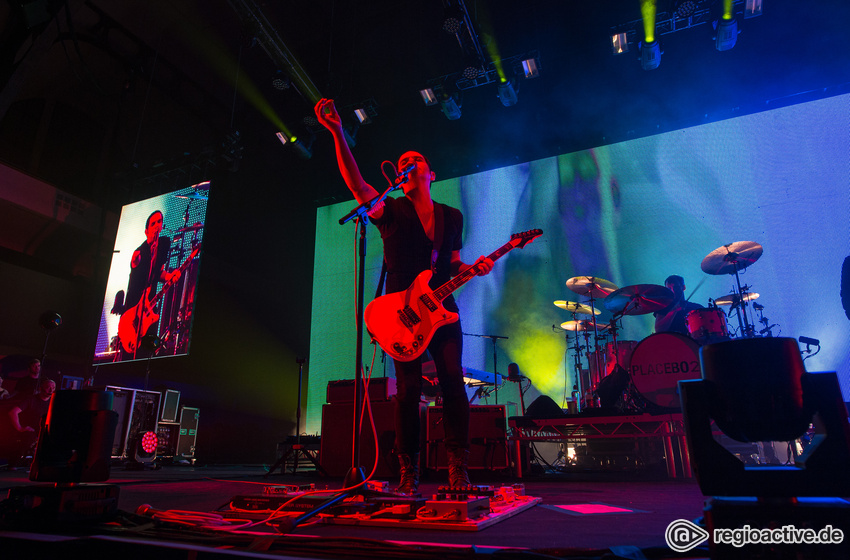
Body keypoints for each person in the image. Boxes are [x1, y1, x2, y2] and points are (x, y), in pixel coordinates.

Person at [315, 98, 494, 494]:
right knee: (408, 391)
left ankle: (456, 469)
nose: (408, 165)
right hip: (401, 315)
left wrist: (476, 269)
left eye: (415, 161)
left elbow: (453, 264)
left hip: (443, 313)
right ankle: (407, 471)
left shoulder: (452, 216)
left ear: (431, 173)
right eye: (402, 163)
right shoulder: (392, 210)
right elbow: (359, 185)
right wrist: (336, 132)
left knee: (451, 382)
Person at [119, 210, 180, 358]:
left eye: (159, 222)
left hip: (150, 305)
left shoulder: (164, 245)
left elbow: (159, 273)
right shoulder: (139, 252)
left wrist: (171, 276)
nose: (157, 226)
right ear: (146, 231)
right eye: (153, 223)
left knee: (147, 347)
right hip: (135, 307)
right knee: (132, 350)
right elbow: (135, 279)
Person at [0, 377, 55, 469]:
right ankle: (14, 463)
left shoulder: (53, 402)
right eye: (48, 387)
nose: (51, 390)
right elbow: (13, 412)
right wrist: (20, 428)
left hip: (45, 430)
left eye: (53, 388)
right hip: (31, 429)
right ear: (41, 388)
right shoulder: (31, 400)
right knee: (28, 437)